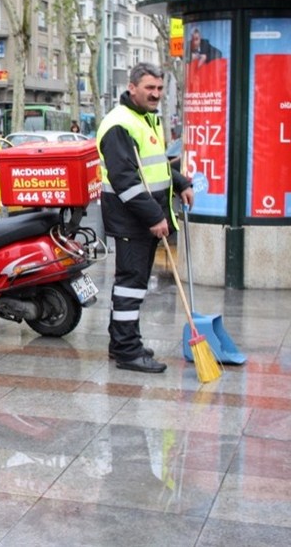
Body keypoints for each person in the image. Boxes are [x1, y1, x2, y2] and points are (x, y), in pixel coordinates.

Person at [96, 63, 194, 373]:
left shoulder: (145, 118)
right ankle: (127, 351)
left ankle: (120, 343)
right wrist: (154, 216)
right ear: (132, 87)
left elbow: (154, 166)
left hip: (141, 218)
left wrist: (180, 183)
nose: (155, 94)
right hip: (132, 219)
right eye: (149, 88)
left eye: (159, 89)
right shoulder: (119, 124)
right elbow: (125, 179)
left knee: (131, 284)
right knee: (131, 285)